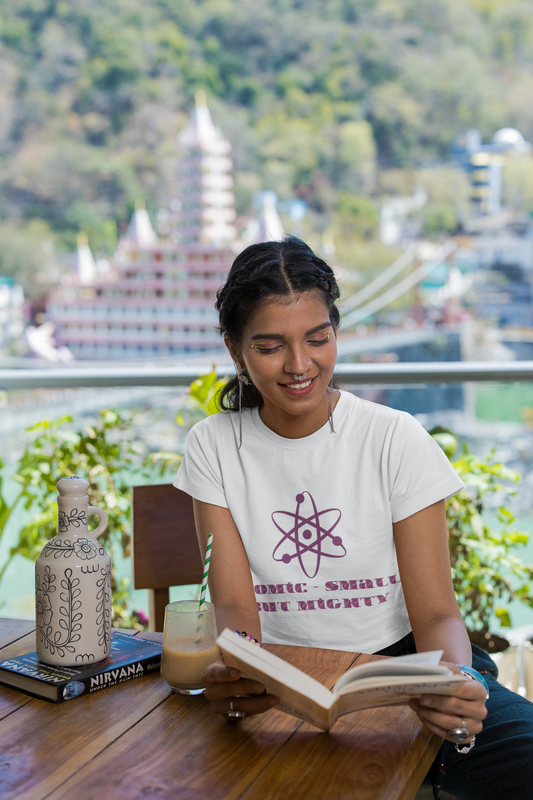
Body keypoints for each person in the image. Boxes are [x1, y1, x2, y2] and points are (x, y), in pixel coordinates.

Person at [174, 236, 533, 800]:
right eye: (270, 347)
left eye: (318, 339)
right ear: (234, 348)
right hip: (281, 678)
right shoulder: (213, 446)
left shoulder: (395, 437)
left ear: (336, 333)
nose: (300, 366)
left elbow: (437, 614)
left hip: (405, 666)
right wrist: (239, 671)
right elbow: (237, 611)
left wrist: (455, 683)